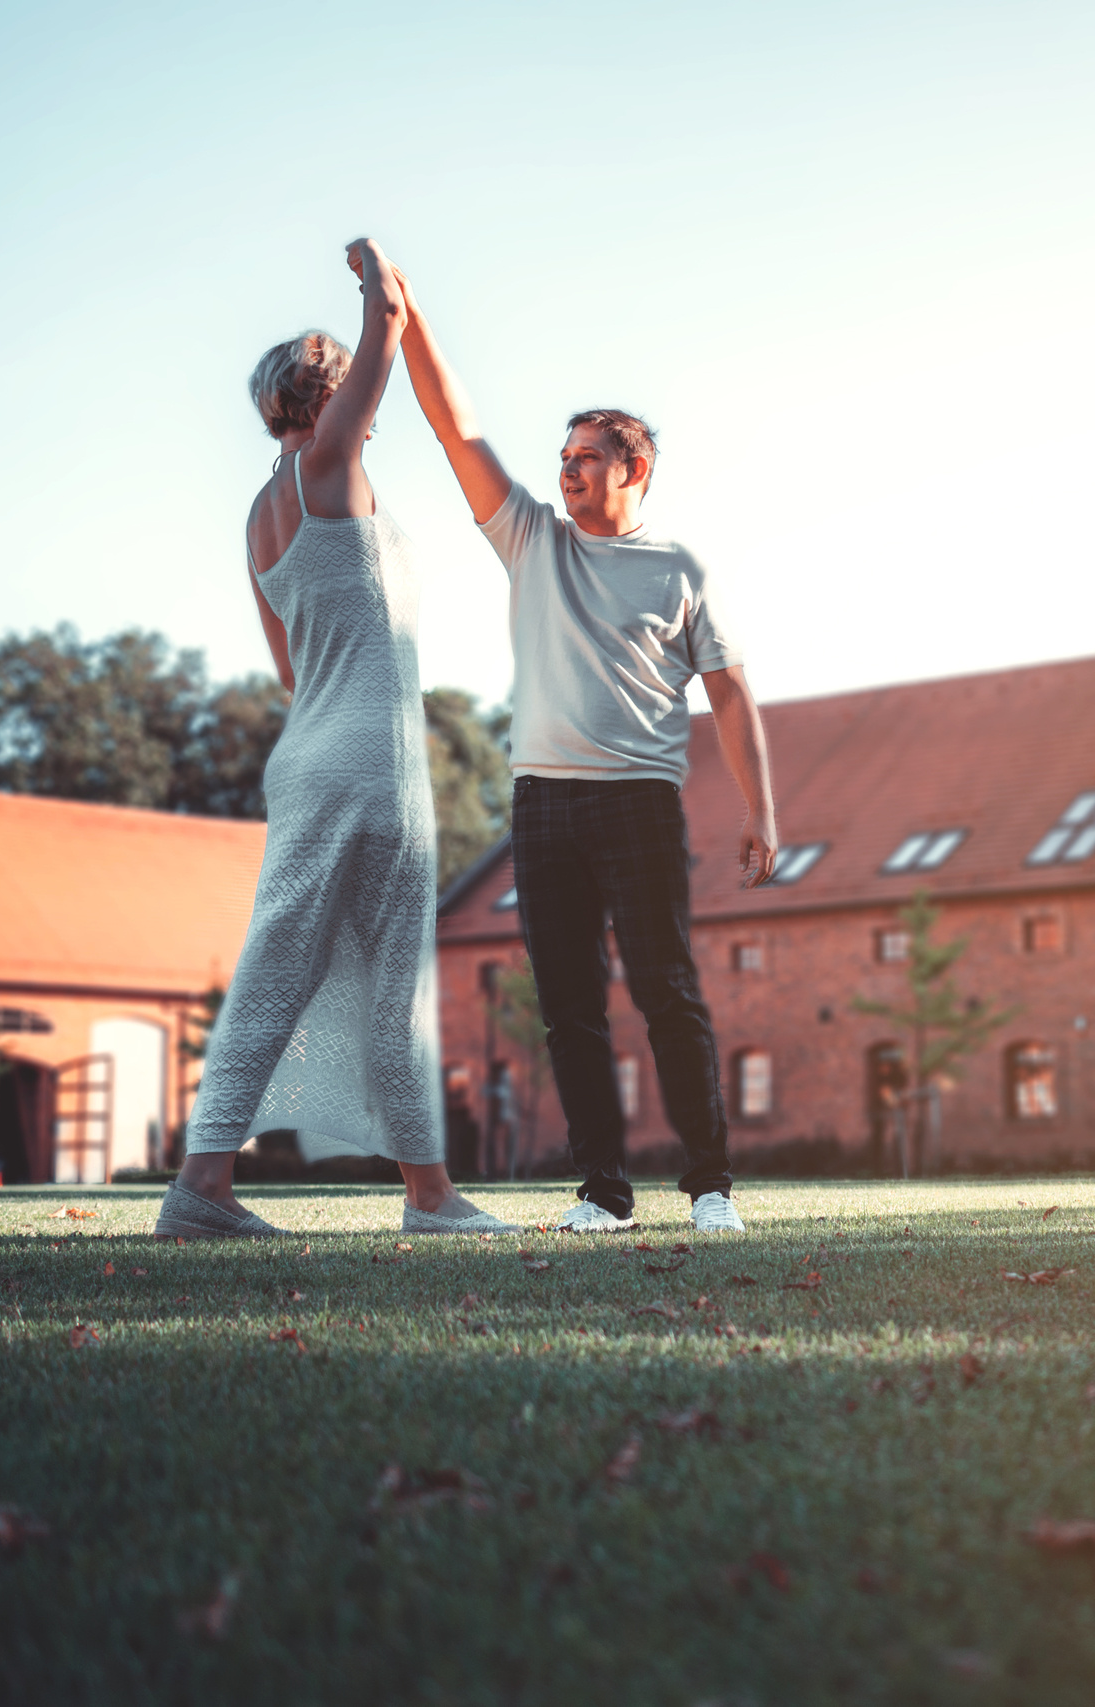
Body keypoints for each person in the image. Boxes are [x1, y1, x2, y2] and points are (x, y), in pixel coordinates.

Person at [394, 261, 776, 1235]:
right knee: (568, 1009)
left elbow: (730, 693)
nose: (565, 470)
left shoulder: (677, 570)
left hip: (639, 806)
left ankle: (711, 1190)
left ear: (632, 469)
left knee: (665, 992)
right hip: (543, 806)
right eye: (562, 456)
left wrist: (762, 811)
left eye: (586, 458)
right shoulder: (533, 541)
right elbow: (455, 425)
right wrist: (400, 317)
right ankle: (603, 1193)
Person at [155, 239, 517, 1241]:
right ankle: (431, 1200)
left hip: (309, 757)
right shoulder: (327, 462)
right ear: (325, 397)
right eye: (350, 388)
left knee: (277, 972)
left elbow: (286, 669)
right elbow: (387, 334)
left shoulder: (259, 515)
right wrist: (376, 278)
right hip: (372, 762)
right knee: (396, 981)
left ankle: (204, 1186)